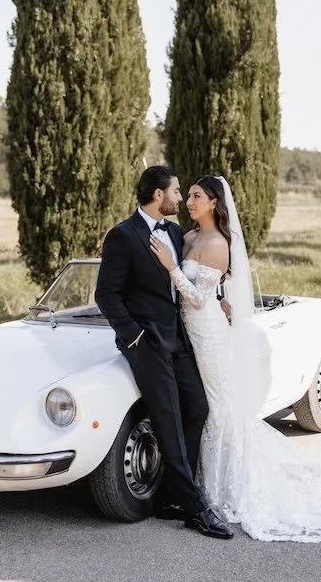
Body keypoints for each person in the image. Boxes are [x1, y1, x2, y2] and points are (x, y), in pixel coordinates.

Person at [149, 174, 321, 542]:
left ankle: (221, 488)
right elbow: (210, 291)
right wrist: (215, 296)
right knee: (205, 406)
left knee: (220, 407)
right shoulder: (187, 237)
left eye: (197, 196)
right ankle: (195, 485)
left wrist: (172, 268)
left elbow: (198, 298)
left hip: (209, 333)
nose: (189, 201)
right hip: (192, 332)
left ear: (214, 203)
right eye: (188, 195)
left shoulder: (217, 243)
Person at [95, 166, 233, 539]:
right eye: (175, 191)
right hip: (147, 342)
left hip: (179, 337)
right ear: (158, 195)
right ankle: (194, 507)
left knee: (198, 407)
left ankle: (172, 495)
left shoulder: (174, 232)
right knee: (168, 418)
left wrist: (220, 299)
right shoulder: (123, 236)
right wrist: (134, 336)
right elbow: (105, 294)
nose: (180, 199)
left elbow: (199, 277)